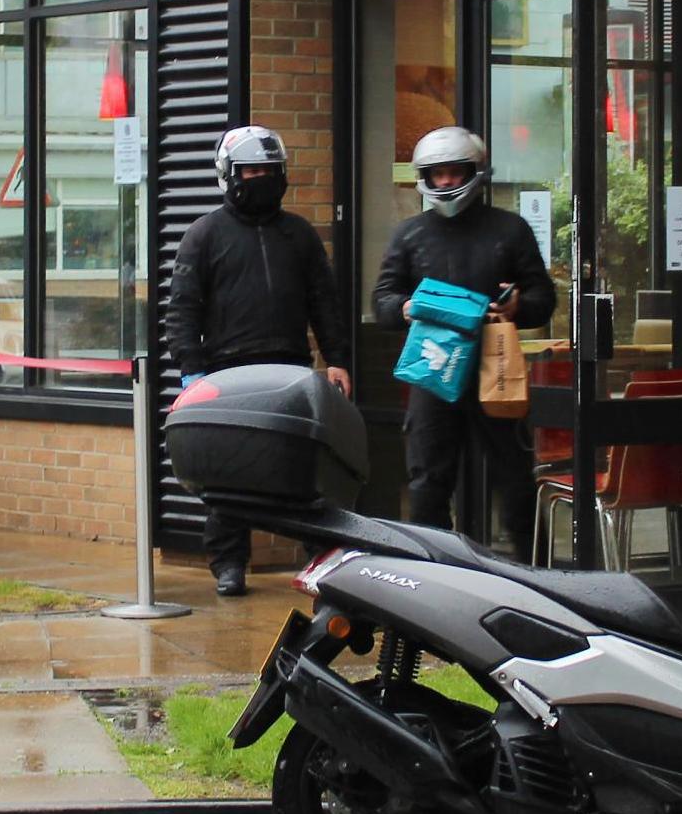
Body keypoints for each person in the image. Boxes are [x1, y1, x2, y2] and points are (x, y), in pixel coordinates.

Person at [165, 124, 351, 596]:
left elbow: (324, 304)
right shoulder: (203, 236)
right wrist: (192, 372)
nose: (261, 178)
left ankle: (322, 557)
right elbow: (183, 310)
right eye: (251, 170)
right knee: (228, 474)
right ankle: (229, 563)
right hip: (227, 373)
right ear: (229, 175)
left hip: (290, 369)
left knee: (306, 469)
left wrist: (338, 359)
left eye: (269, 170)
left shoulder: (300, 237)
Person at [371, 125, 556, 551]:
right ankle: (433, 570)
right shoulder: (409, 234)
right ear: (425, 178)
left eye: (455, 172)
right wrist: (406, 307)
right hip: (433, 367)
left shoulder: (510, 229)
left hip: (495, 367)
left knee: (514, 479)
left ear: (475, 172)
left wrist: (517, 306)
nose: (447, 182)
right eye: (437, 174)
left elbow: (544, 296)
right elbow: (382, 298)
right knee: (427, 480)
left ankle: (537, 571)